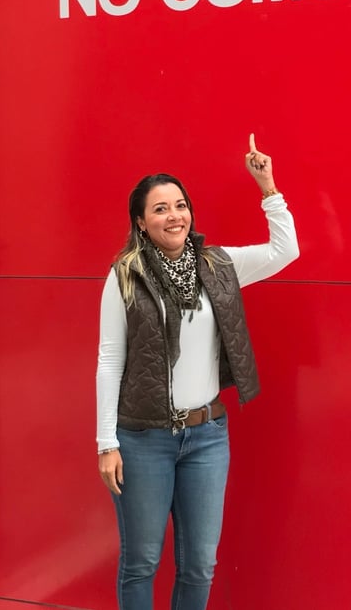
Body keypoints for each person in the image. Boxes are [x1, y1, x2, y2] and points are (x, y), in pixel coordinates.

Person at [96, 134, 299, 610]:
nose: (174, 216)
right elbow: (109, 359)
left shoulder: (219, 265)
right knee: (142, 561)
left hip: (206, 436)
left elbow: (284, 250)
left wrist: (267, 187)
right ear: (141, 222)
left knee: (200, 565)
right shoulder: (125, 274)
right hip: (143, 439)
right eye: (160, 209)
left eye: (180, 205)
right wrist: (107, 443)